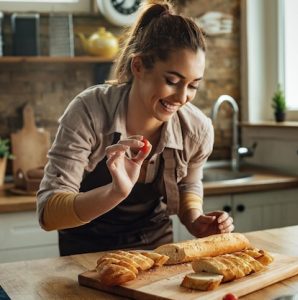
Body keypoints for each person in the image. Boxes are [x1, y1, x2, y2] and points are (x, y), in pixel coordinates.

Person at [37, 0, 234, 256]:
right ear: (138, 66)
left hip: (156, 248)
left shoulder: (196, 128)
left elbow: (189, 186)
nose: (182, 97)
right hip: (84, 251)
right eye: (172, 81)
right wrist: (114, 192)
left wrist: (196, 220)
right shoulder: (89, 111)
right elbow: (49, 213)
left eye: (193, 85)